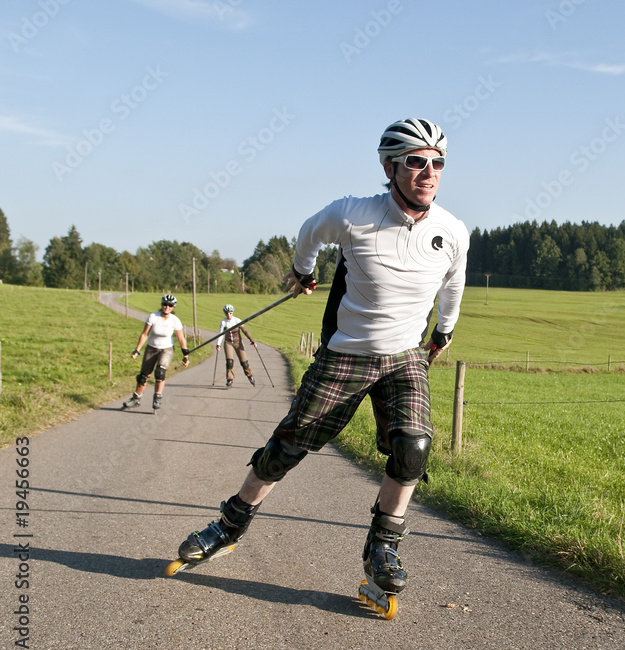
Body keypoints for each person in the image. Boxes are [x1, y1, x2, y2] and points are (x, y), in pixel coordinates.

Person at [176, 118, 468, 599]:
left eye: (438, 163)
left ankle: (383, 547)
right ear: (390, 168)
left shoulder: (452, 230)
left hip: (404, 358)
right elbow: (309, 232)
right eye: (416, 161)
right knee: (286, 447)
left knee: (413, 447)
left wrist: (444, 330)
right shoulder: (352, 214)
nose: (429, 172)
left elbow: (453, 284)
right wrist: (302, 270)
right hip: (346, 355)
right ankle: (230, 524)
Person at [123, 293, 190, 412]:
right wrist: (137, 349)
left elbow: (181, 338)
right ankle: (136, 398)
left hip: (166, 349)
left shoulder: (175, 320)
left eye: (170, 305)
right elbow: (145, 334)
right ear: (161, 304)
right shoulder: (153, 316)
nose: (167, 307)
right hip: (151, 348)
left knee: (160, 372)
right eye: (165, 304)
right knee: (143, 376)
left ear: (173, 307)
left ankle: (157, 397)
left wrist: (185, 354)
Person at [216, 304, 257, 388]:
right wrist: (218, 344)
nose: (229, 315)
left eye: (230, 313)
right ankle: (229, 379)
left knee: (244, 362)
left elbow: (245, 331)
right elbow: (221, 334)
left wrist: (252, 341)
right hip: (228, 343)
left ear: (233, 313)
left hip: (238, 342)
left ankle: (250, 376)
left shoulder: (237, 320)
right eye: (227, 313)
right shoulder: (223, 322)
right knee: (229, 362)